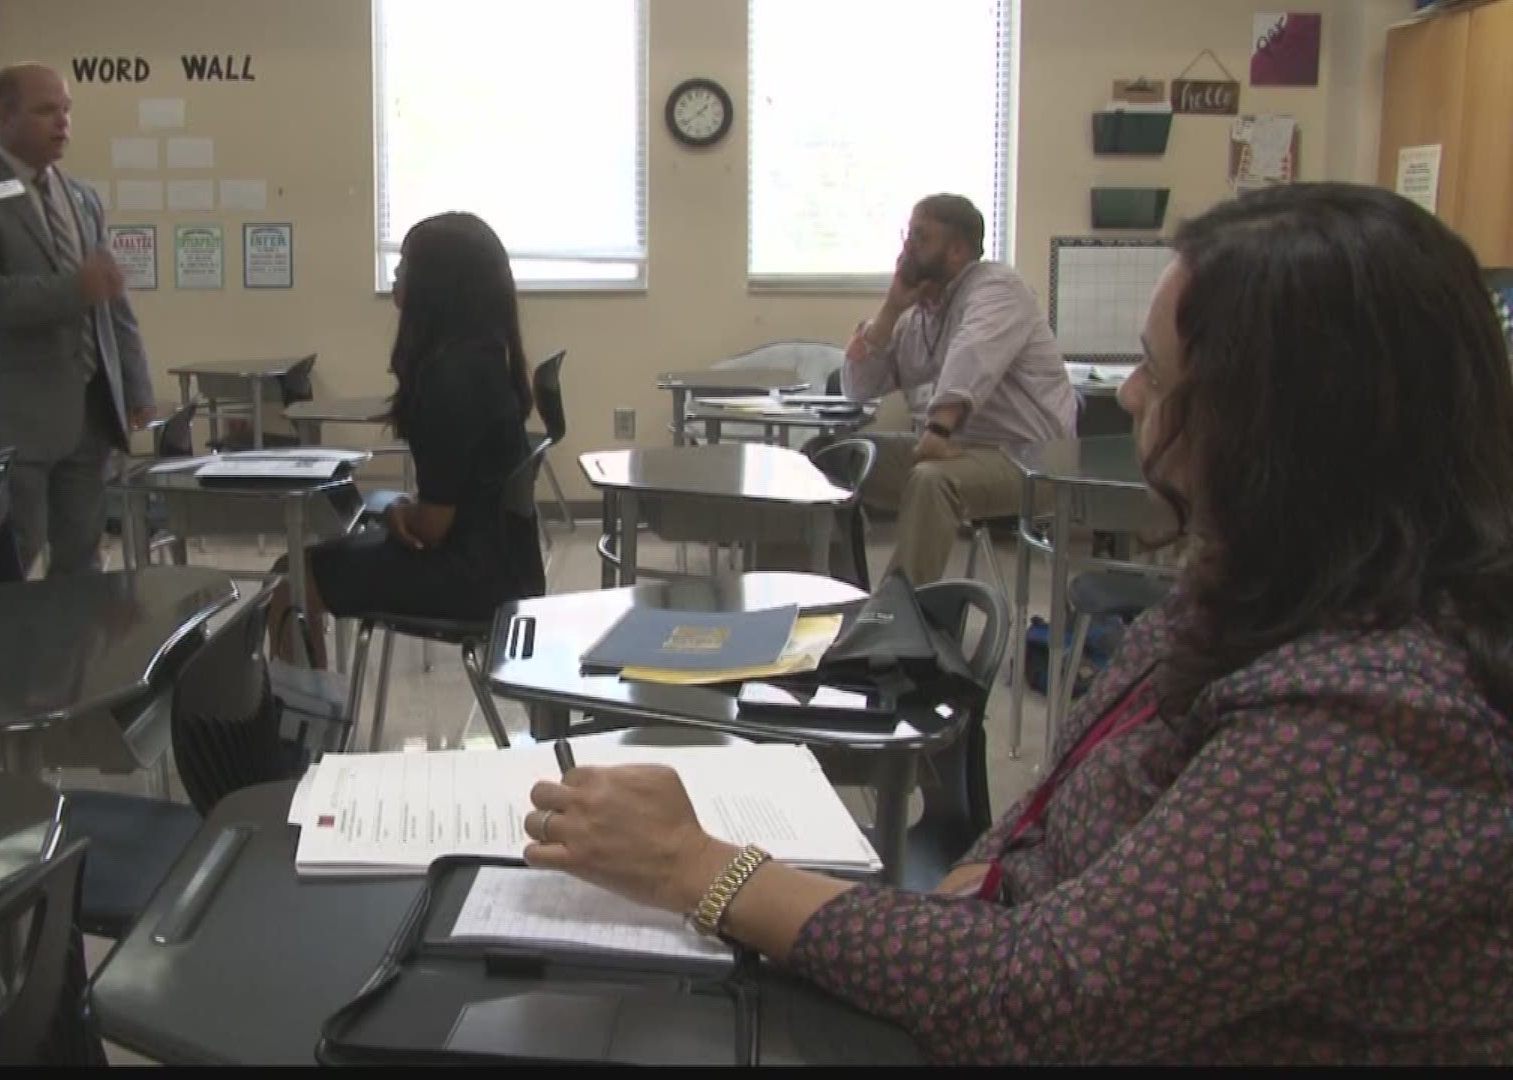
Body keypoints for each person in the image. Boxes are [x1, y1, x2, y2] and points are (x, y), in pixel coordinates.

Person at [520, 183, 1513, 1064]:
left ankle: (886, 613)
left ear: (1291, 427)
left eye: (1158, 377)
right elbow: (1052, 806)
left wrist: (699, 867)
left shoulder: (1378, 716)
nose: (1128, 396)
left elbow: (1050, 1001)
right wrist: (957, 894)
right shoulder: (1257, 591)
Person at [267, 212, 546, 666]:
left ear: (438, 283)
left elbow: (432, 526)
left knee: (293, 583)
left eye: (404, 265)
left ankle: (302, 731)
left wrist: (400, 511)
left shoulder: (450, 376)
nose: (396, 275)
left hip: (472, 578)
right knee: (302, 569)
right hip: (505, 565)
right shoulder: (485, 356)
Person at [0, 62, 156, 576]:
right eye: (47, 110)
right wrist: (72, 290)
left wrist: (136, 385)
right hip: (16, 418)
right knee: (10, 559)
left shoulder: (81, 197)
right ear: (5, 117)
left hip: (89, 413)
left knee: (81, 558)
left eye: (67, 110)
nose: (63, 122)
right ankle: (7, 655)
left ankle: (75, 655)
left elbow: (113, 302)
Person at [841, 193, 1075, 585]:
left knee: (932, 480)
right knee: (831, 459)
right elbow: (857, 388)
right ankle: (826, 597)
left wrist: (938, 430)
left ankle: (898, 621)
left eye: (920, 237)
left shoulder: (998, 288)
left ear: (956, 250)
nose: (906, 248)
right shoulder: (919, 313)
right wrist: (890, 310)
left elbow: (973, 353)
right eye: (907, 235)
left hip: (1028, 459)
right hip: (955, 450)